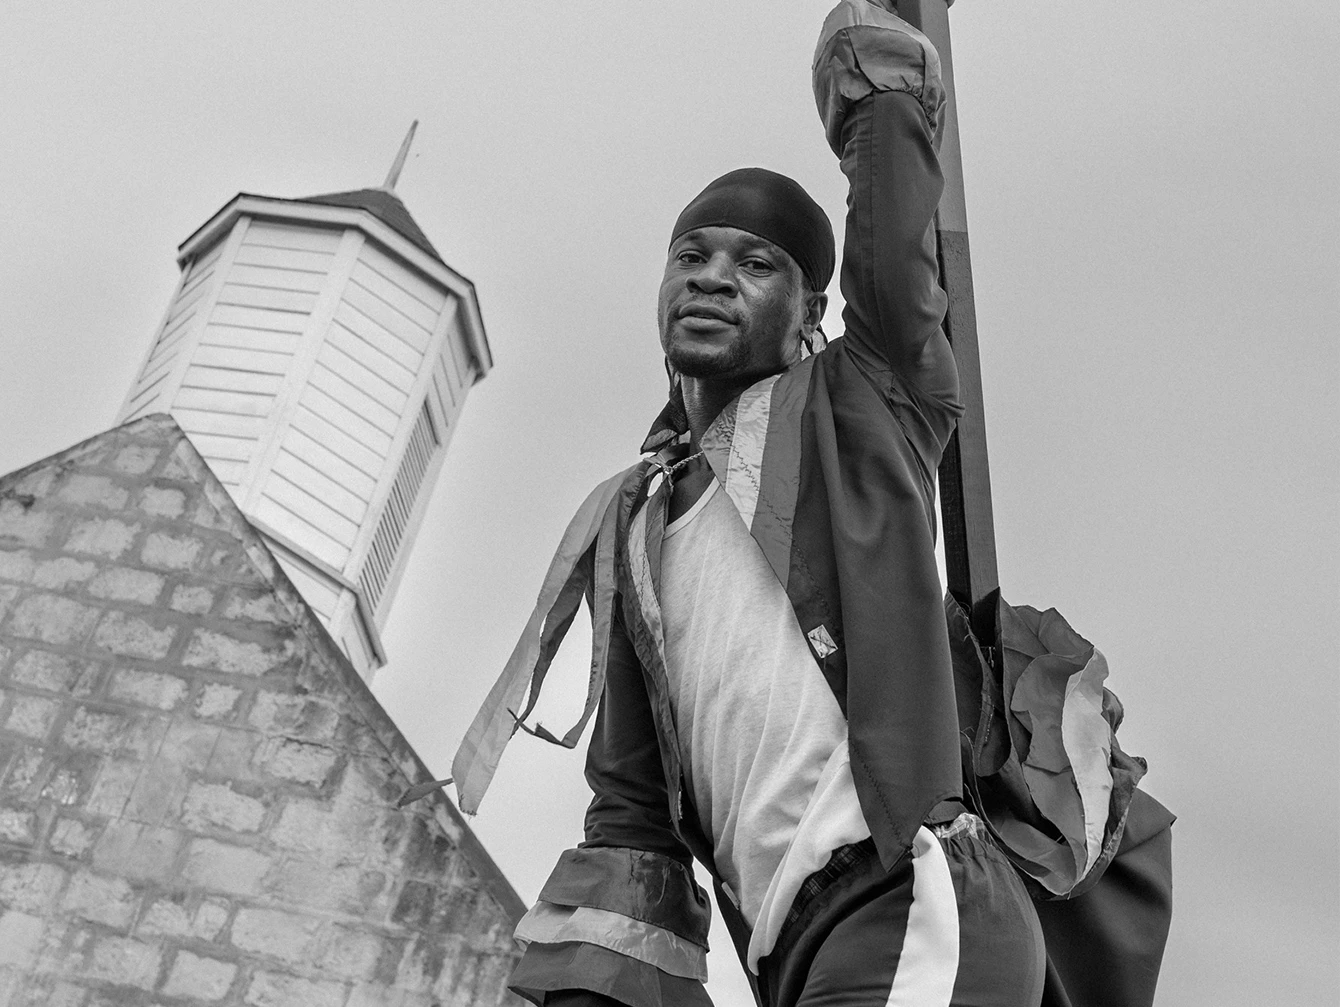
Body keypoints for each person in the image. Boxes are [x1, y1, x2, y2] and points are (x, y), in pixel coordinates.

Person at [449, 2, 1167, 1004]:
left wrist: (870, 77)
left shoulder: (859, 402)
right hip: (793, 957)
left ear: (810, 315)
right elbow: (630, 809)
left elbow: (892, 262)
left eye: (756, 264)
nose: (711, 277)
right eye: (691, 255)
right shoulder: (633, 524)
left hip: (916, 897)